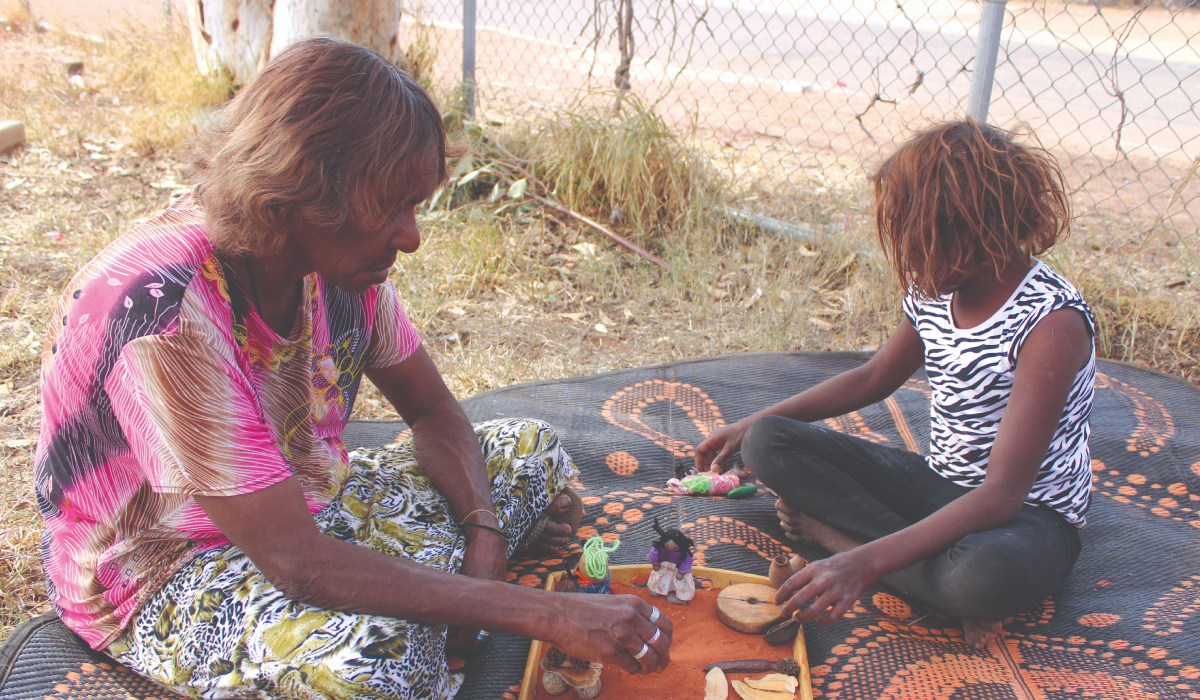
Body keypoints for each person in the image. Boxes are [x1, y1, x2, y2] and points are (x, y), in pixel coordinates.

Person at [34, 37, 670, 699]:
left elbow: (432, 411)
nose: (411, 236)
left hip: (306, 502)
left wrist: (482, 532)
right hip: (171, 568)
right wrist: (549, 613)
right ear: (298, 193)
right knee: (381, 657)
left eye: (414, 204)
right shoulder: (164, 313)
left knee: (525, 449)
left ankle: (424, 592)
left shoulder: (335, 263)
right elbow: (297, 563)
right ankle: (407, 615)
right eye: (392, 206)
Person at [695, 120, 1095, 650]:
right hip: (938, 487)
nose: (909, 254)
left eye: (919, 235)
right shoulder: (936, 289)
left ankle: (835, 535)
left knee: (983, 578)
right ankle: (932, 582)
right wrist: (749, 425)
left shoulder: (1050, 322)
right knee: (771, 440)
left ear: (970, 229)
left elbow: (1001, 495)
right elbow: (874, 376)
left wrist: (858, 561)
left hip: (1022, 518)